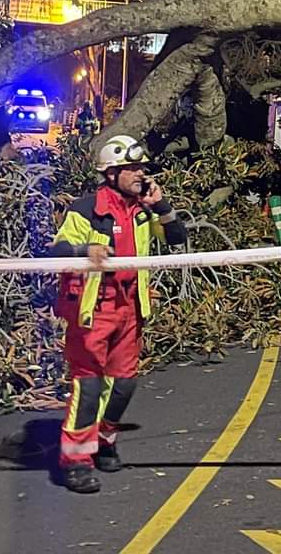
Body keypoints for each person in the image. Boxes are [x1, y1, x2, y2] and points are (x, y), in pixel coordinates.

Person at [48, 134, 188, 493]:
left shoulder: (142, 211)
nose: (141, 173)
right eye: (133, 168)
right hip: (93, 310)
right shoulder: (86, 209)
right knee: (89, 386)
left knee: (124, 385)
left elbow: (176, 238)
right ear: (111, 173)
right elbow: (58, 250)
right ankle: (76, 460)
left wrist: (161, 204)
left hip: (130, 308)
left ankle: (104, 441)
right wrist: (86, 248)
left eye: (142, 167)